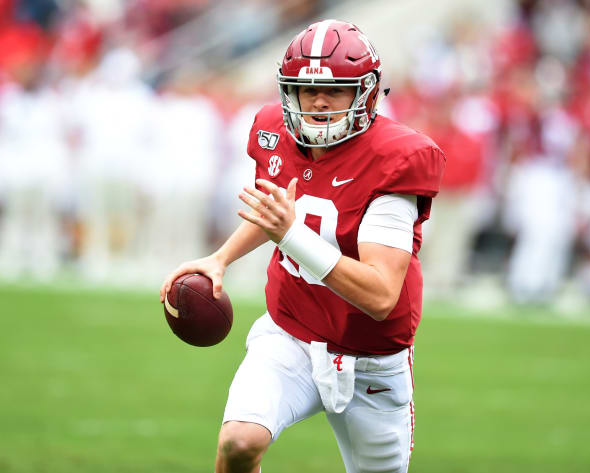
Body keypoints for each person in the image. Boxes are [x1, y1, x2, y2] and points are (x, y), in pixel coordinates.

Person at [160, 20, 445, 473]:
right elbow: (281, 212)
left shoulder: (396, 159)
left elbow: (379, 295)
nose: (317, 102)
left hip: (371, 359)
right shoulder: (275, 130)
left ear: (367, 93)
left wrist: (292, 236)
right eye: (305, 88)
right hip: (291, 332)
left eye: (335, 91)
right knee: (238, 442)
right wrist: (220, 259)